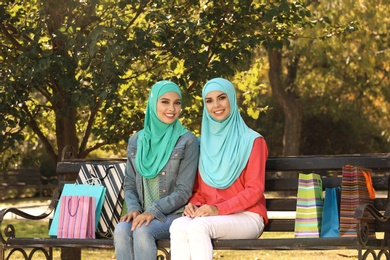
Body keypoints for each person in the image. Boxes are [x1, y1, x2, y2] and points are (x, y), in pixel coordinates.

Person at [169, 77, 268, 260]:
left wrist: (217, 209)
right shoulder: (203, 143)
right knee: (178, 225)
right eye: (209, 100)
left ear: (231, 99)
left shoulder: (253, 141)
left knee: (198, 227)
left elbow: (255, 190)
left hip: (248, 217)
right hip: (212, 216)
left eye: (221, 98)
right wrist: (193, 204)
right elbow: (200, 190)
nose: (216, 105)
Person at [114, 80, 199, 260]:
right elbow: (129, 183)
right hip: (143, 213)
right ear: (153, 103)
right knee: (121, 229)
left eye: (177, 103)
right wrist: (135, 209)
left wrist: (152, 211)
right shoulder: (137, 140)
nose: (172, 108)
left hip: (174, 215)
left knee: (143, 229)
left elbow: (183, 192)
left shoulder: (187, 141)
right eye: (165, 102)